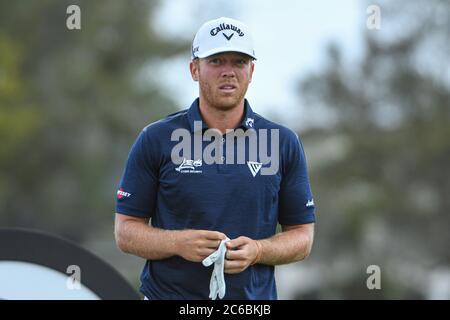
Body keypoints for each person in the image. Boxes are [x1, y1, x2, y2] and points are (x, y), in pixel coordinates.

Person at [114, 16, 315, 300]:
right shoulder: (156, 139)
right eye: (217, 61)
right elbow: (125, 232)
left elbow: (303, 237)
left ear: (252, 71)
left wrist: (259, 251)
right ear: (194, 69)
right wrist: (178, 242)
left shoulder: (283, 142)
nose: (229, 71)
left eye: (239, 62)